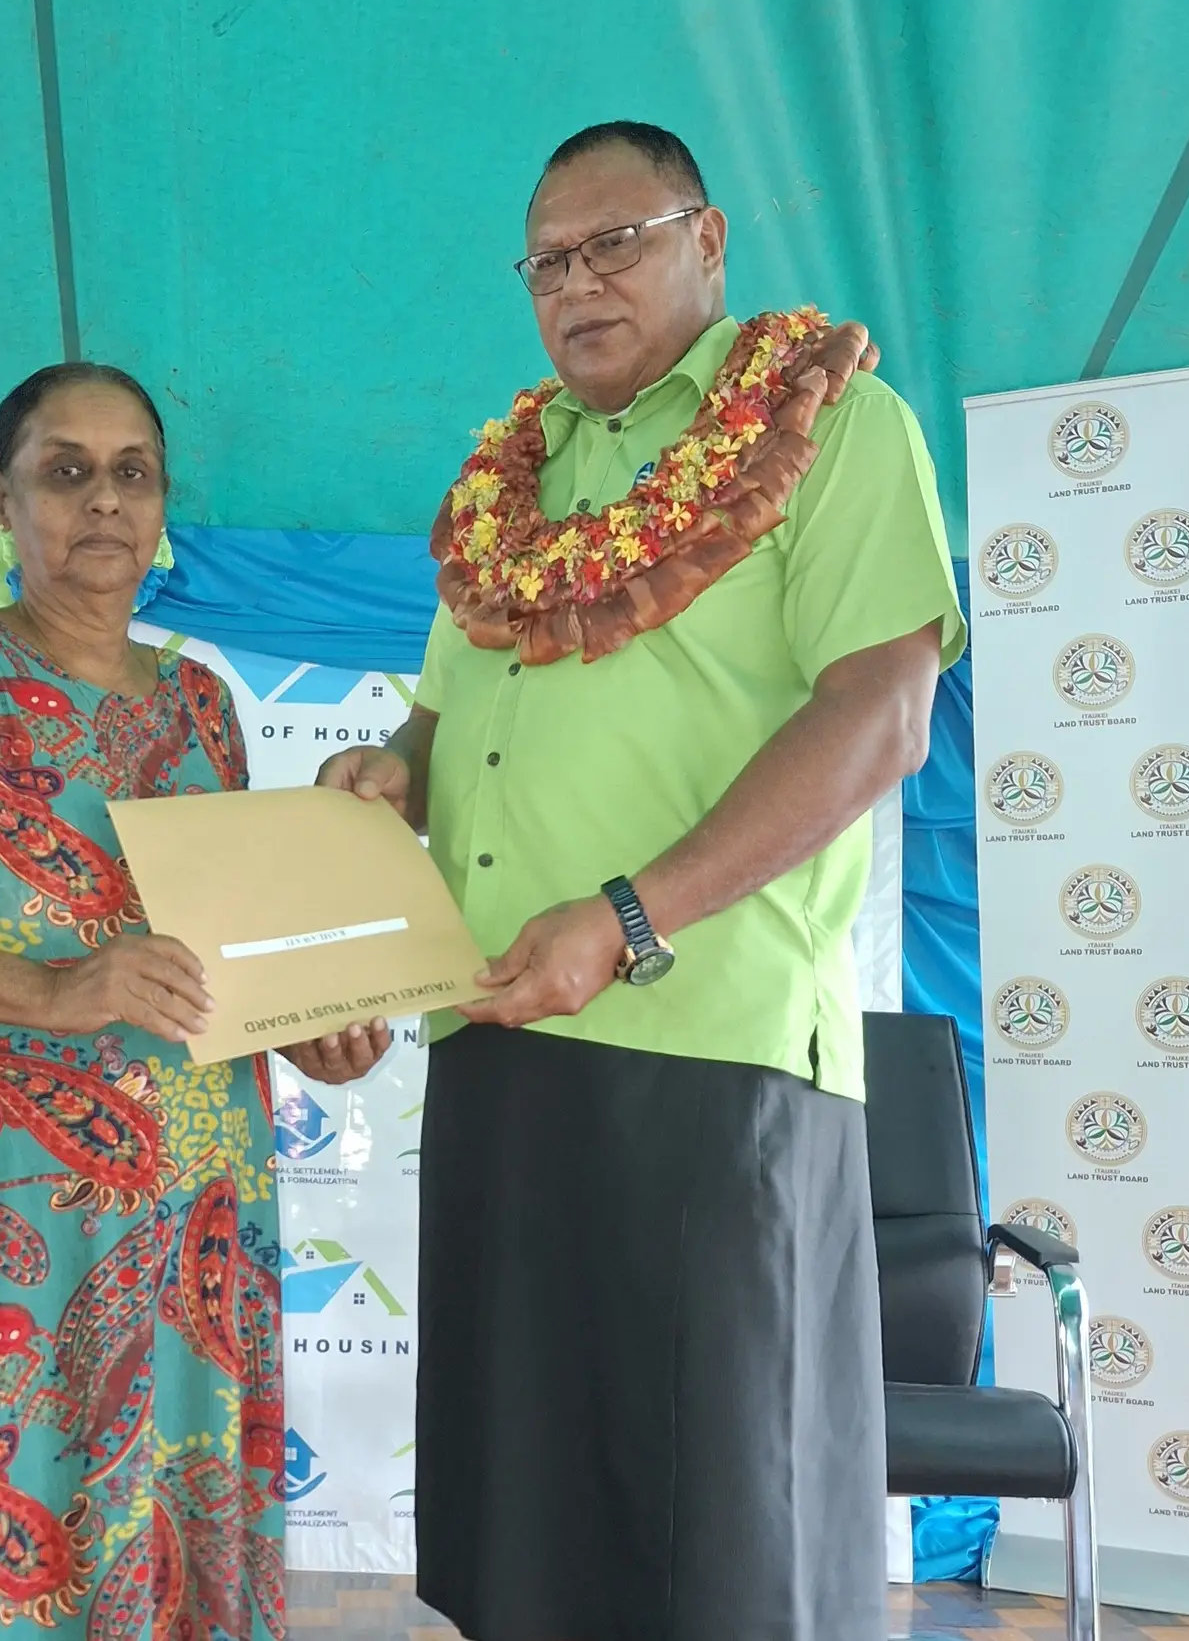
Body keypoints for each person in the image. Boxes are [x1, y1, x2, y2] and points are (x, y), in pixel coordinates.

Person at [320, 121, 966, 1641]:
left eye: (618, 240)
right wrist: (387, 775)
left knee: (710, 1542)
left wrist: (625, 920)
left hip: (700, 1042)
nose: (578, 281)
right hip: (493, 1037)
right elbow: (439, 722)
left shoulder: (834, 426)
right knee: (526, 1530)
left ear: (710, 239)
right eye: (548, 261)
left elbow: (881, 717)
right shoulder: (507, 482)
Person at [0, 362, 388, 1641]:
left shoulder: (203, 704)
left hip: (185, 1243)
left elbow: (217, 952)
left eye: (131, 472)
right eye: (64, 470)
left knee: (156, 1525)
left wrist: (315, 1024)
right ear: (3, 500)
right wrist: (53, 988)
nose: (100, 499)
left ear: (163, 507)